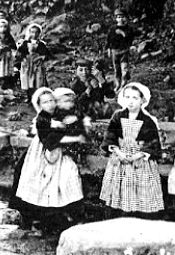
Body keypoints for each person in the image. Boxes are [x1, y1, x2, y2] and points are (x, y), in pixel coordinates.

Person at [11, 87, 85, 231]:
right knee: (37, 178)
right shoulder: (42, 119)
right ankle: (37, 215)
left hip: (59, 151)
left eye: (52, 101)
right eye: (45, 102)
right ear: (39, 105)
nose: (50, 104)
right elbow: (49, 140)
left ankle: (65, 213)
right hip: (43, 151)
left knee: (65, 178)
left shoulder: (61, 115)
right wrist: (62, 128)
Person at [100, 82, 164, 215]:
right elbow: (110, 136)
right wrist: (118, 152)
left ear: (142, 100)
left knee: (140, 188)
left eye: (135, 98)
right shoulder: (117, 116)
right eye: (127, 97)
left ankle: (137, 215)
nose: (130, 102)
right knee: (119, 187)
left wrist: (138, 155)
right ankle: (118, 214)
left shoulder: (148, 121)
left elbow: (153, 144)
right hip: (120, 156)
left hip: (139, 158)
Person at [52, 87, 90, 161]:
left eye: (72, 101)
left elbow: (83, 117)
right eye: (66, 101)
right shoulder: (56, 114)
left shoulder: (74, 111)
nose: (70, 104)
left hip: (76, 137)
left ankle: (80, 155)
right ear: (57, 102)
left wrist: (85, 122)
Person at [14, 23, 50, 102]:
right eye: (32, 32)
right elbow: (19, 54)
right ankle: (29, 97)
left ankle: (37, 97)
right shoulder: (25, 43)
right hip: (27, 65)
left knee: (37, 81)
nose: (34, 34)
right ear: (29, 33)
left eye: (36, 32)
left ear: (39, 33)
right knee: (27, 81)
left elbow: (46, 54)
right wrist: (21, 60)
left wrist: (40, 57)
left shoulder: (41, 44)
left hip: (37, 66)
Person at [105, 9, 136, 90]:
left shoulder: (128, 28)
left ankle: (124, 84)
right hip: (114, 51)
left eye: (122, 17)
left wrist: (123, 33)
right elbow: (109, 39)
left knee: (124, 69)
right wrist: (108, 49)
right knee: (117, 69)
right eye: (118, 17)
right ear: (116, 19)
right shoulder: (112, 28)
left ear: (125, 18)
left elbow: (130, 39)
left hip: (124, 50)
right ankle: (118, 83)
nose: (121, 19)